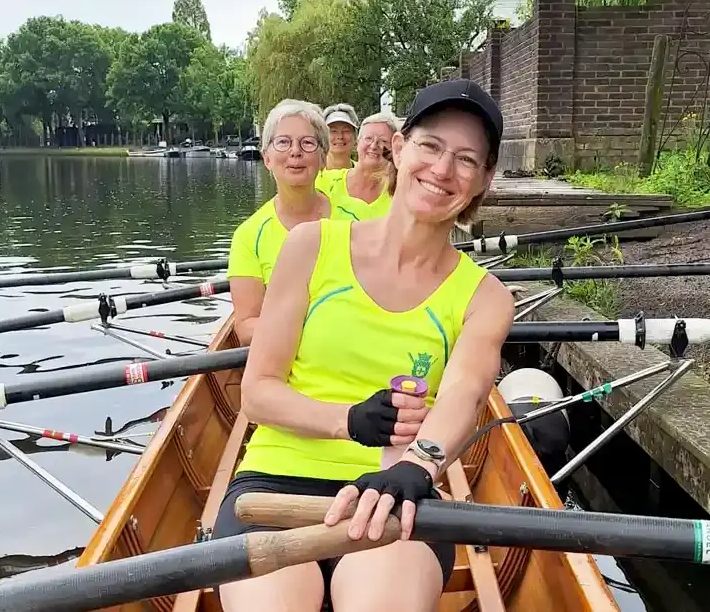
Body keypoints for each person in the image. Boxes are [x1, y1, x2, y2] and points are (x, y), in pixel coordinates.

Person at [212, 78, 514, 612]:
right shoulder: (310, 246)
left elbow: (464, 394)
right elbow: (256, 394)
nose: (443, 170)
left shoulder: (486, 298)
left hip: (397, 496)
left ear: (484, 178)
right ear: (399, 148)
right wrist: (348, 420)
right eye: (430, 146)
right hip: (273, 488)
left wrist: (419, 465)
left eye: (467, 159)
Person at [226, 98, 361, 346]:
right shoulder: (248, 236)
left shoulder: (360, 219)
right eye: (283, 142)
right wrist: (319, 325)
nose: (295, 151)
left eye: (307, 143)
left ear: (323, 159)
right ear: (266, 158)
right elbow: (246, 328)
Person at [315, 111, 399, 220]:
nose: (374, 145)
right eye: (368, 138)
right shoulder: (323, 181)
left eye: (383, 141)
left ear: (394, 150)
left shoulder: (397, 195)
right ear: (357, 143)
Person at [321, 103, 359, 171]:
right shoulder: (311, 174)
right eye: (333, 131)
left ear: (355, 137)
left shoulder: (366, 175)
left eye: (346, 131)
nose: (340, 136)